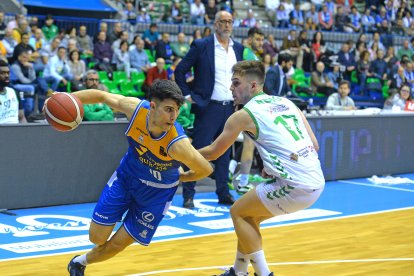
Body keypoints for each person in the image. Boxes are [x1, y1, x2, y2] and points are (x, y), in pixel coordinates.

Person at [66, 79, 213, 276]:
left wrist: (183, 178)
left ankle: (79, 262)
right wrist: (66, 98)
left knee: (118, 244)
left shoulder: (178, 144)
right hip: (126, 178)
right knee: (97, 237)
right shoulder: (135, 109)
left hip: (156, 195)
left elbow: (205, 169)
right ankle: (87, 253)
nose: (173, 116)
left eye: (176, 110)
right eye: (168, 109)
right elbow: (101, 95)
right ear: (152, 106)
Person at [197, 60, 324, 276]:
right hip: (316, 182)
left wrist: (174, 154)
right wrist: (273, 166)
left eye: (236, 83)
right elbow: (315, 145)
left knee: (237, 212)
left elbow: (212, 153)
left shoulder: (243, 115)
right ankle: (238, 271)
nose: (231, 88)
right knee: (249, 216)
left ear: (253, 86)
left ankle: (264, 274)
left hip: (295, 185)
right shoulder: (287, 103)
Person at [174, 10, 244, 208]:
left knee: (224, 153)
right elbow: (180, 70)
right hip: (207, 108)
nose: (226, 25)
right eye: (222, 21)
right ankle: (188, 194)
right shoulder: (202, 45)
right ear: (215, 24)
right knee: (199, 151)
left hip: (229, 108)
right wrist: (187, 96)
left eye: (230, 21)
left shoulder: (238, 49)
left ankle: (223, 193)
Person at [0, 59, 26, 123]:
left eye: (8, 73)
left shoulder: (14, 92)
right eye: (2, 73)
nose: (6, 76)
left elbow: (22, 117)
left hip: (15, 130)